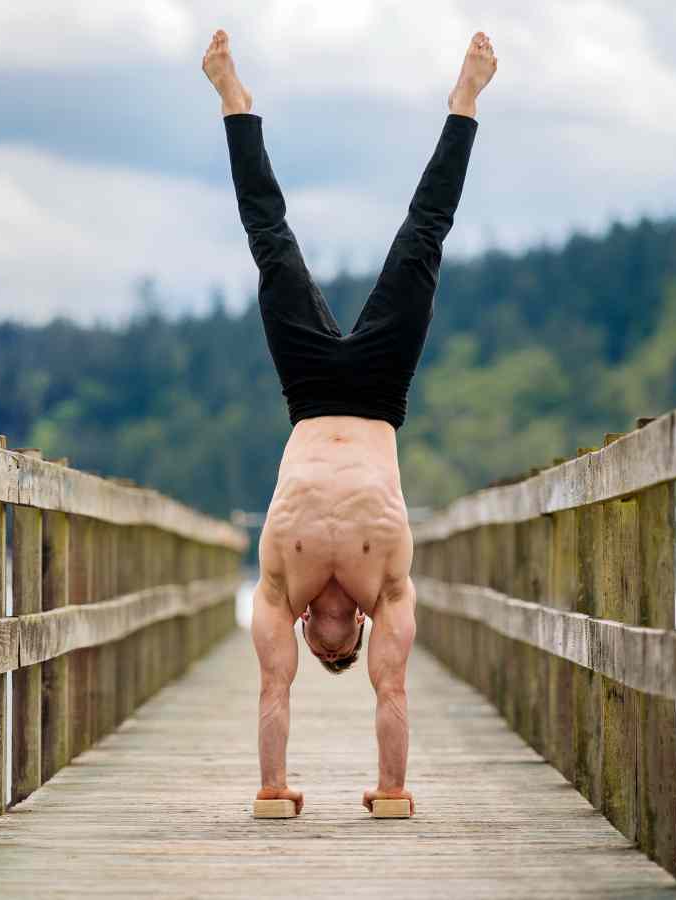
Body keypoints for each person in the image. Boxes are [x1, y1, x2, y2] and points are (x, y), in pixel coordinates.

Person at [202, 28, 497, 816]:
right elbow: (393, 687)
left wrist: (273, 790)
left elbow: (273, 688)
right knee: (422, 239)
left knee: (272, 245)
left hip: (307, 391)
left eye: (322, 647)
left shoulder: (279, 589)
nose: (328, 641)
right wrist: (392, 791)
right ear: (356, 629)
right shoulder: (385, 587)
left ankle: (236, 106)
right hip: (379, 394)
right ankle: (464, 105)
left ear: (309, 634)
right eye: (342, 646)